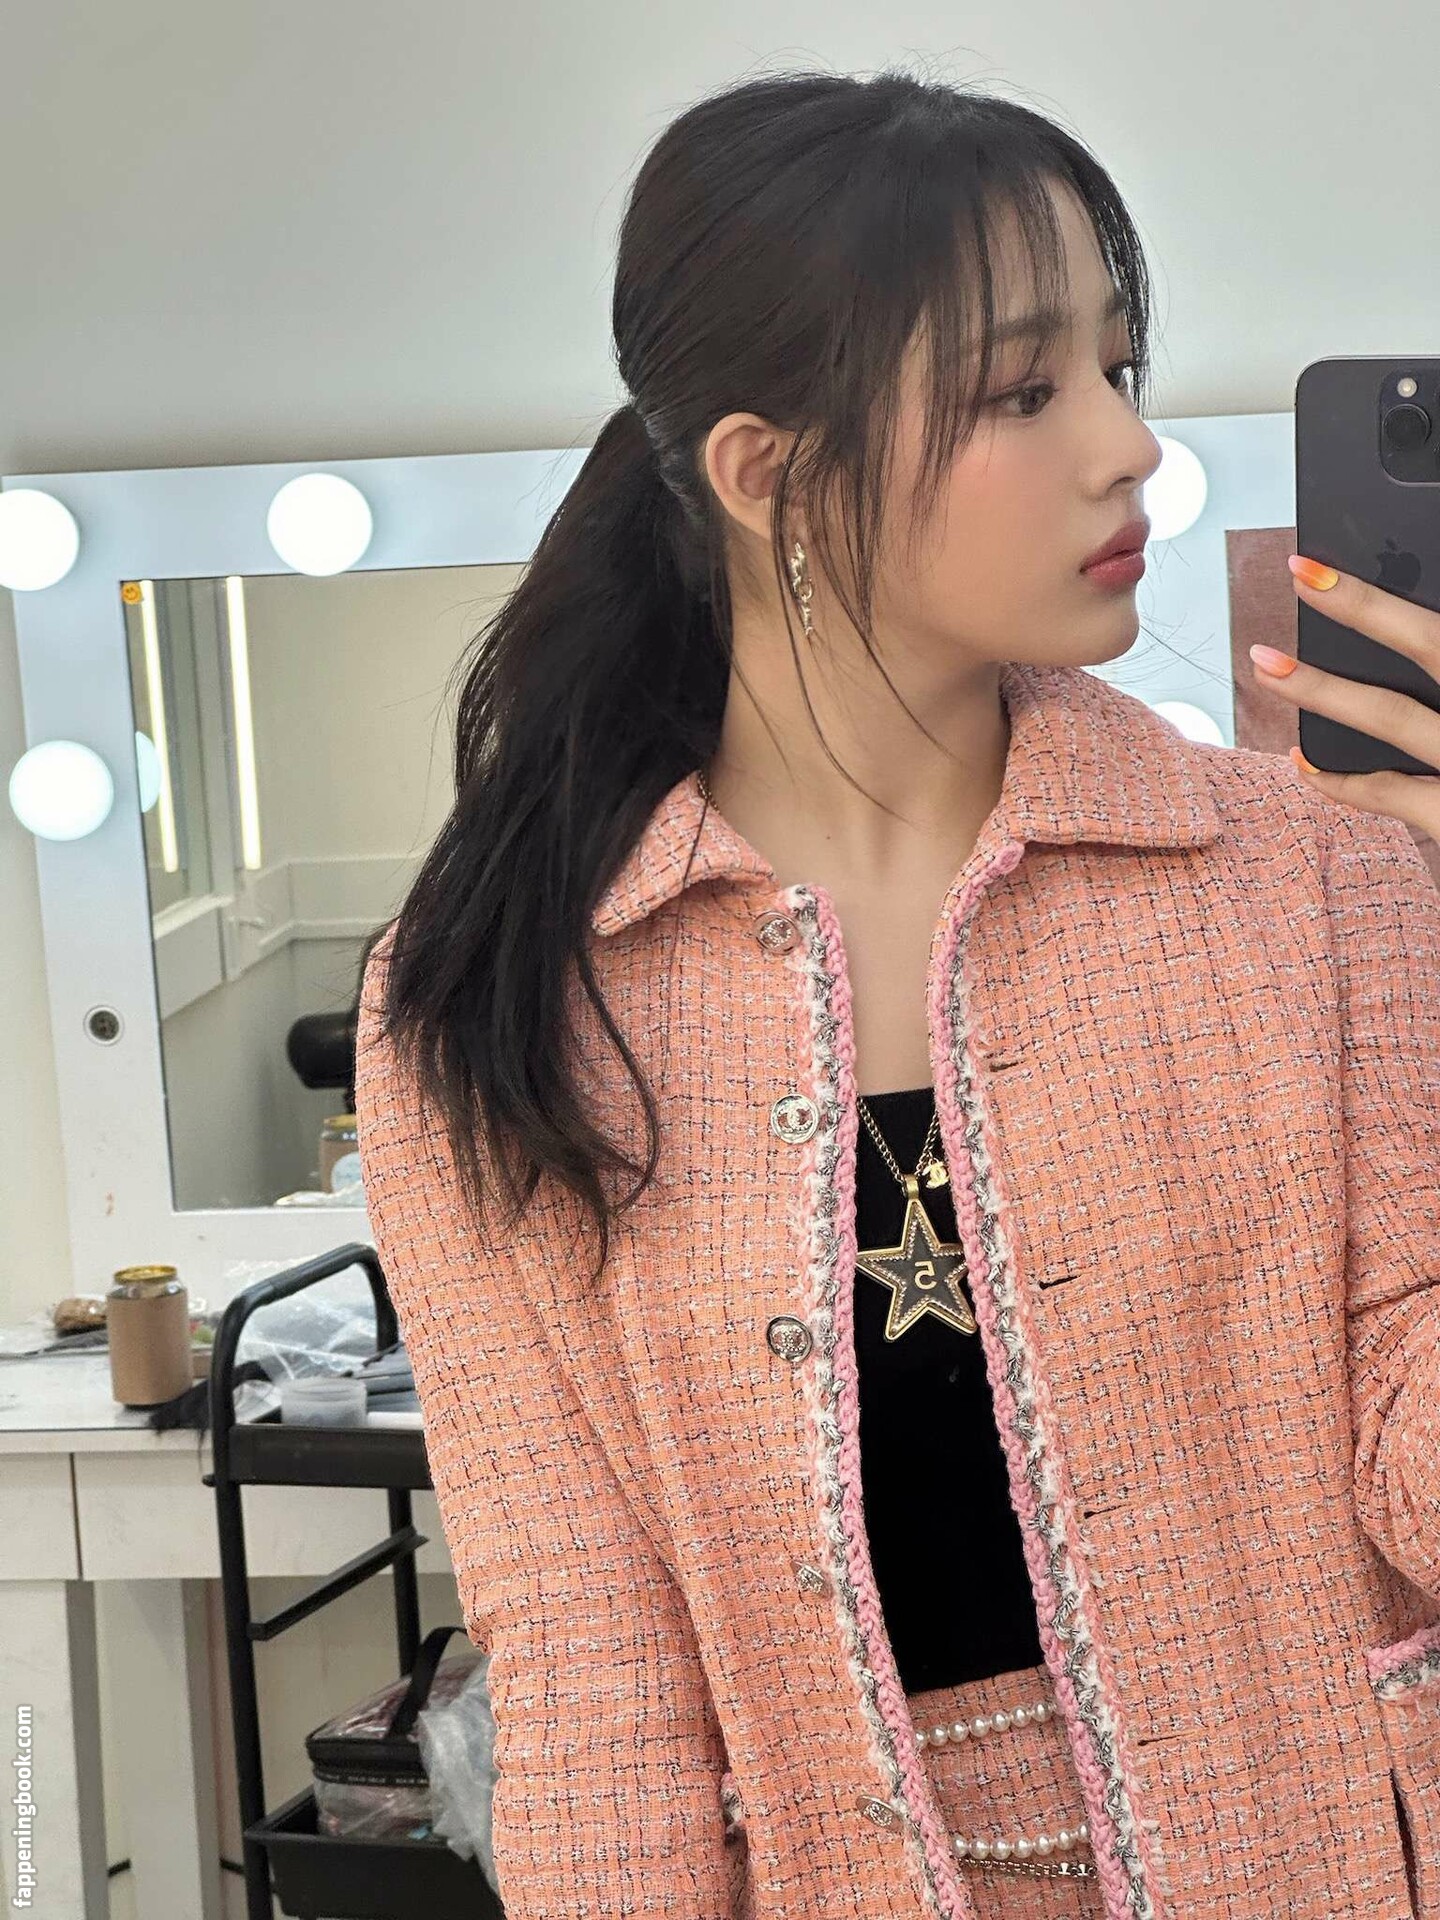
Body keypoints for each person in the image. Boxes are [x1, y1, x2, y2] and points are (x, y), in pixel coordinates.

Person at [352, 67, 1440, 1920]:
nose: (1130, 447)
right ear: (766, 470)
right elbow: (592, 1683)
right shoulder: (504, 991)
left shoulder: (1311, 877)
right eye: (1024, 391)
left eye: (1120, 367)